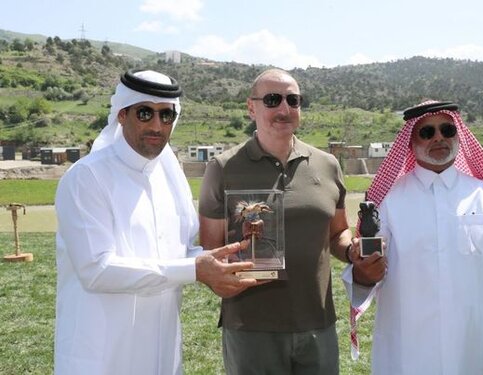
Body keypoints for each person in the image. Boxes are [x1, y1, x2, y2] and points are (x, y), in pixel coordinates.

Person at [54, 69, 259, 375]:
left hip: (161, 353)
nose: (156, 125)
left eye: (166, 116)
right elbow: (95, 270)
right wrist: (195, 268)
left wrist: (220, 261)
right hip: (101, 355)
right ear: (122, 115)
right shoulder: (87, 177)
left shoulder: (169, 177)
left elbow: (182, 252)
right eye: (145, 113)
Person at [198, 68, 385, 374]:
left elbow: (337, 233)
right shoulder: (223, 168)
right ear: (251, 107)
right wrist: (221, 281)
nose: (284, 109)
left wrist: (353, 252)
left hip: (318, 323)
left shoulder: (327, 165)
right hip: (251, 328)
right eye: (272, 99)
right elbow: (211, 248)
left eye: (293, 100)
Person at [343, 100, 483, 374]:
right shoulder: (389, 201)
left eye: (447, 130)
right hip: (407, 352)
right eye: (427, 132)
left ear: (457, 134)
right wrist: (363, 273)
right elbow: (367, 269)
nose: (439, 137)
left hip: (477, 350)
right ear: (411, 141)